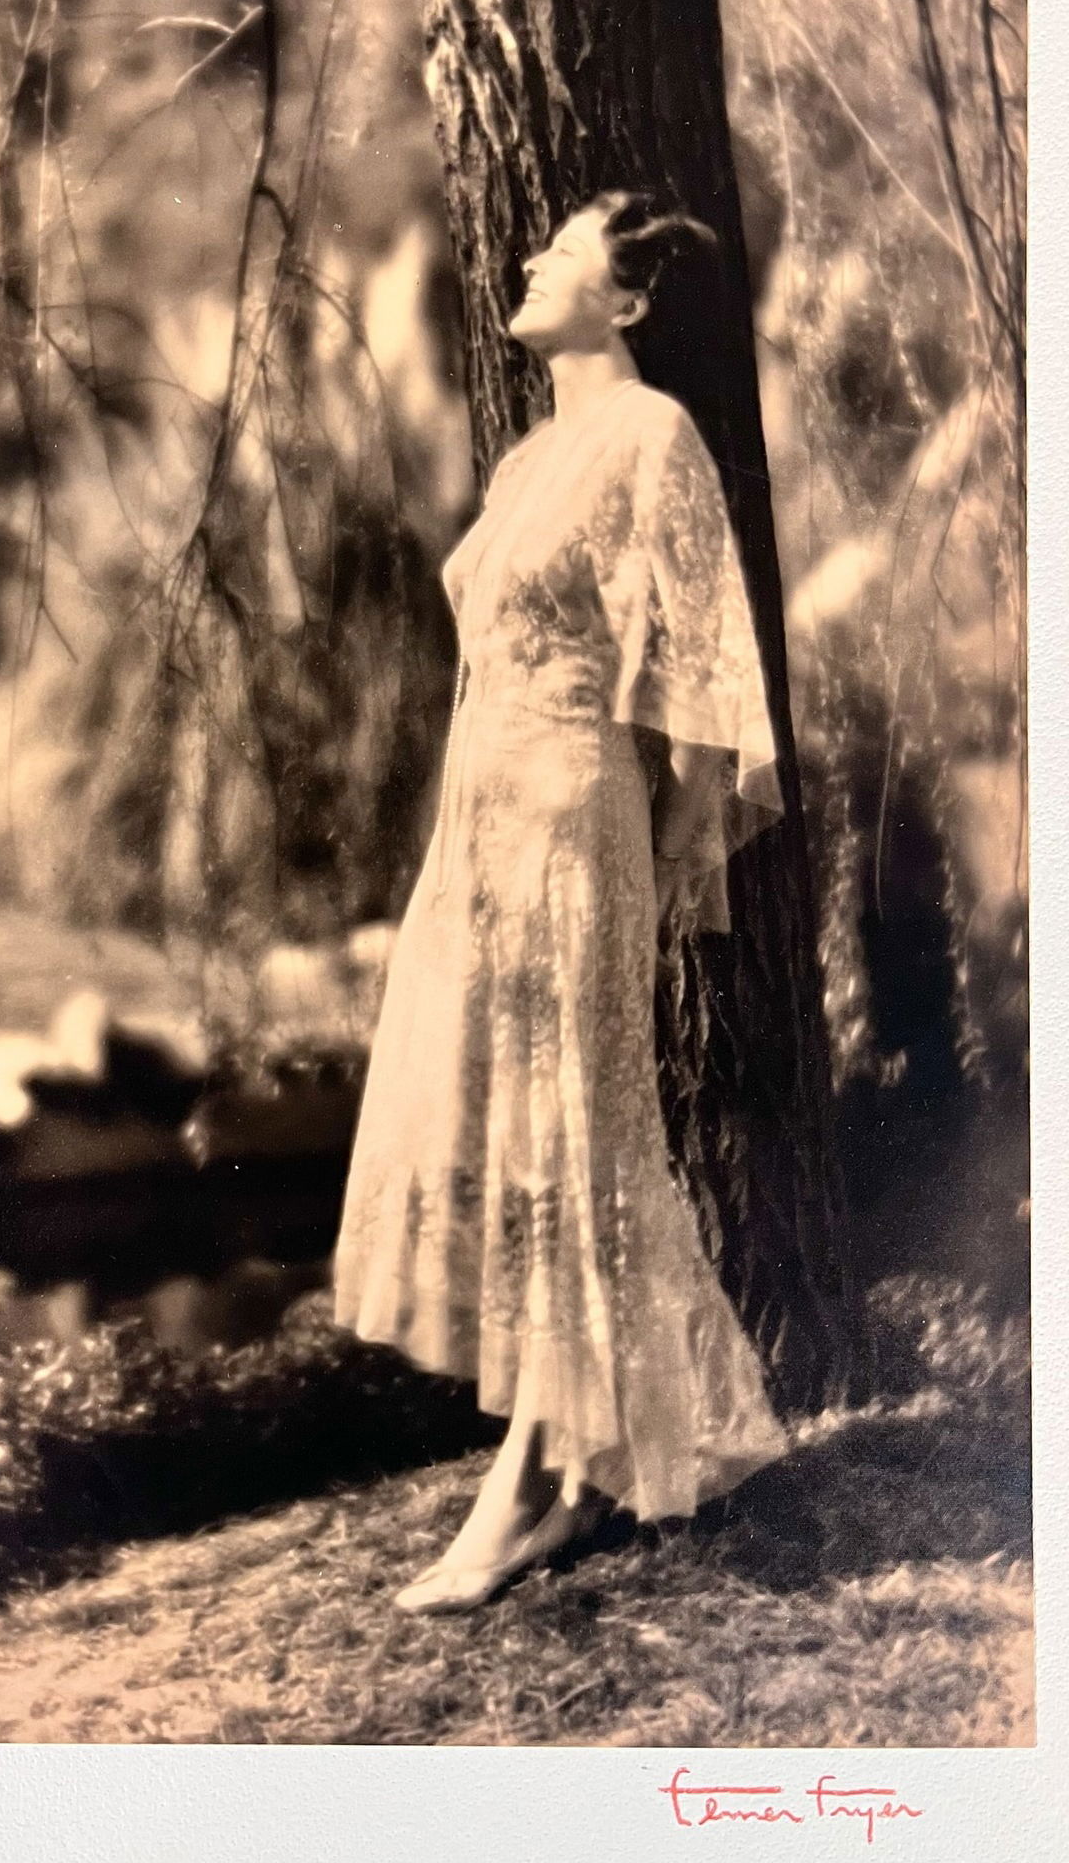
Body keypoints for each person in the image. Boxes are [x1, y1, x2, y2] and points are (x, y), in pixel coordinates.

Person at [331, 190, 791, 1615]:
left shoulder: (652, 437)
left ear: (630, 302)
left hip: (572, 825)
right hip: (483, 825)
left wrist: (670, 850)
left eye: (566, 252)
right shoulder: (537, 455)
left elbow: (706, 665)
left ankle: (531, 1486)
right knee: (517, 1132)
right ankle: (582, 1460)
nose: (531, 260)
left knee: (576, 1131)